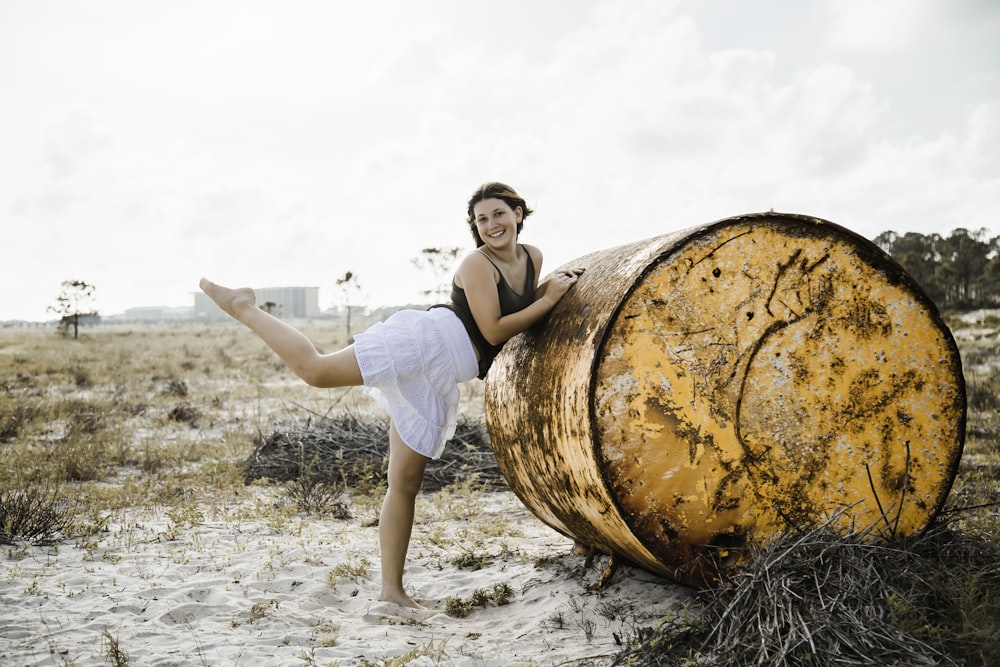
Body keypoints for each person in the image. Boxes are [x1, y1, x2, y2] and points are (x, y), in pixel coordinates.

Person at [200, 182, 583, 609]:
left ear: (517, 213)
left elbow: (515, 324)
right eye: (481, 219)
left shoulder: (533, 257)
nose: (491, 225)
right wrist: (549, 299)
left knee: (404, 482)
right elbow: (494, 329)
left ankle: (392, 591)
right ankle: (243, 307)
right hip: (426, 343)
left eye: (498, 214)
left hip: (442, 377)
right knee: (316, 370)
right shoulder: (478, 264)